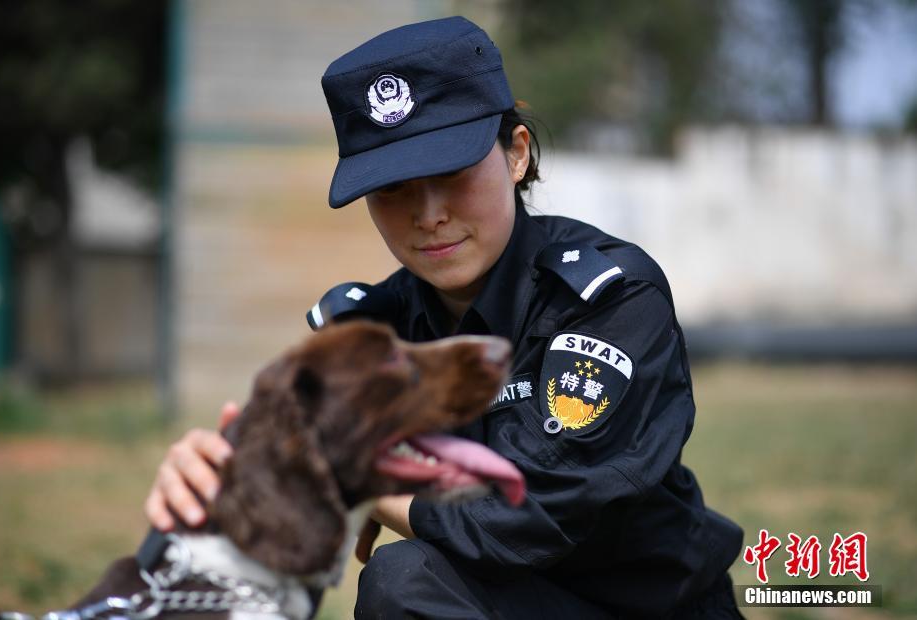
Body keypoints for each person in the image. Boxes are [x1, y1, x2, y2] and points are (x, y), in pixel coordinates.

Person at [145, 16, 744, 618]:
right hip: (487, 604)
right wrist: (209, 484)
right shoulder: (367, 333)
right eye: (393, 189)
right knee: (404, 579)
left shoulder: (607, 297)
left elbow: (531, 514)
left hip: (654, 609)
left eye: (451, 173)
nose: (428, 214)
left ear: (516, 154)